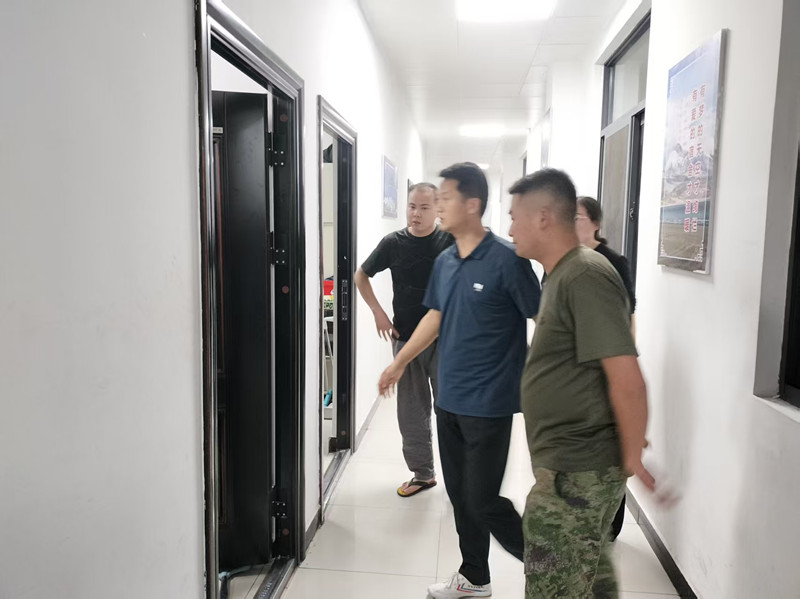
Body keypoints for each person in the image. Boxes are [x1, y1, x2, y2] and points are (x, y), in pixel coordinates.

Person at [378, 162, 541, 599]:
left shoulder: (508, 259)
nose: (438, 207)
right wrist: (399, 363)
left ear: (472, 204)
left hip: (489, 404)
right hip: (449, 399)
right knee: (461, 497)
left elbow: (544, 319)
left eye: (445, 199)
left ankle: (552, 568)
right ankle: (474, 578)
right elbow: (435, 316)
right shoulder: (446, 260)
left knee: (484, 499)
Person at [507, 168, 654, 598]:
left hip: (578, 471)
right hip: (571, 466)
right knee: (588, 580)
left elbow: (626, 377)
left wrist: (632, 454)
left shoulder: (584, 275)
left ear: (543, 217)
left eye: (515, 217)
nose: (510, 229)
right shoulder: (561, 274)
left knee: (555, 585)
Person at [355, 183, 453, 497]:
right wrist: (378, 312)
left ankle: (459, 479)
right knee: (412, 414)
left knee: (450, 412)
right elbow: (360, 275)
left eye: (424, 207)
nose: (416, 213)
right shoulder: (393, 243)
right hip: (405, 339)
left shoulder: (449, 241)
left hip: (445, 342)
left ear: (437, 209)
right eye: (412, 206)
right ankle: (423, 474)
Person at [575, 195, 637, 540]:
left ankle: (610, 525)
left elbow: (628, 315)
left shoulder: (613, 262)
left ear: (596, 223)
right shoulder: (562, 260)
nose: (572, 224)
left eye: (578, 218)